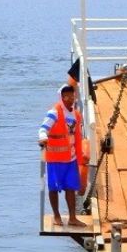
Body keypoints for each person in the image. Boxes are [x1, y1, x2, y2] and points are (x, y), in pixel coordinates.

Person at [39, 84, 87, 227]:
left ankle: (72, 218)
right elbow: (43, 128)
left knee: (70, 188)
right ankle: (57, 216)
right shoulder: (54, 113)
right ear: (61, 97)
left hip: (70, 158)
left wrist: (80, 157)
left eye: (72, 95)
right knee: (53, 188)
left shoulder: (76, 115)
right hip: (55, 159)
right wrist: (42, 137)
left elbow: (77, 136)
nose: (70, 98)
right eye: (66, 96)